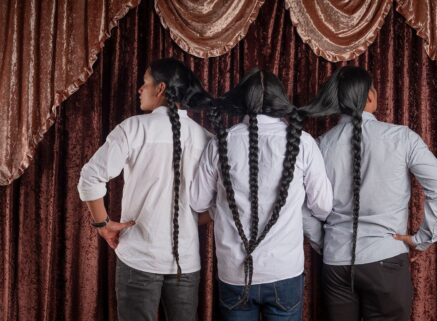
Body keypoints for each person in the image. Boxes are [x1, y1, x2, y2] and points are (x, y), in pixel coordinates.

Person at [301, 65, 437, 321]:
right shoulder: (402, 138)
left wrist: (325, 243)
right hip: (386, 260)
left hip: (336, 264)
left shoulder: (319, 145)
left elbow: (301, 204)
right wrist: (421, 238)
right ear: (369, 96)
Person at [190, 69, 333, 321]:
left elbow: (197, 202)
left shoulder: (220, 143)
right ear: (280, 101)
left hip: (234, 273)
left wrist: (221, 204)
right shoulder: (304, 143)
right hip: (284, 272)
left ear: (244, 101)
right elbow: (323, 207)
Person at [77, 58, 212, 321]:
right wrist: (190, 221)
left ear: (160, 89)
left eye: (145, 83)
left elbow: (90, 177)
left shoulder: (133, 128)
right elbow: (223, 200)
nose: (140, 89)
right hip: (185, 261)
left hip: (137, 257)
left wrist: (103, 225)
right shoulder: (205, 137)